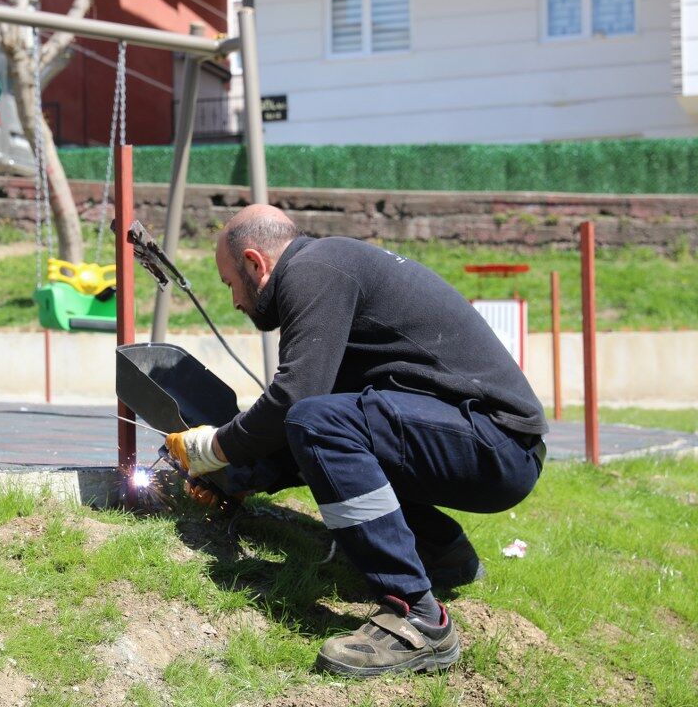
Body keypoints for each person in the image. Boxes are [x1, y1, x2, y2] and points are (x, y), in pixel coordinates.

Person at [165, 204, 547, 677]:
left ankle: (417, 620)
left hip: (497, 442)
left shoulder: (313, 270)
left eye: (229, 284)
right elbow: (310, 426)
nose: (234, 301)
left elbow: (295, 404)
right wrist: (239, 475)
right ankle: (442, 555)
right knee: (327, 423)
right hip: (489, 441)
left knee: (318, 423)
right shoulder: (329, 268)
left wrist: (213, 449)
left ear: (254, 263)